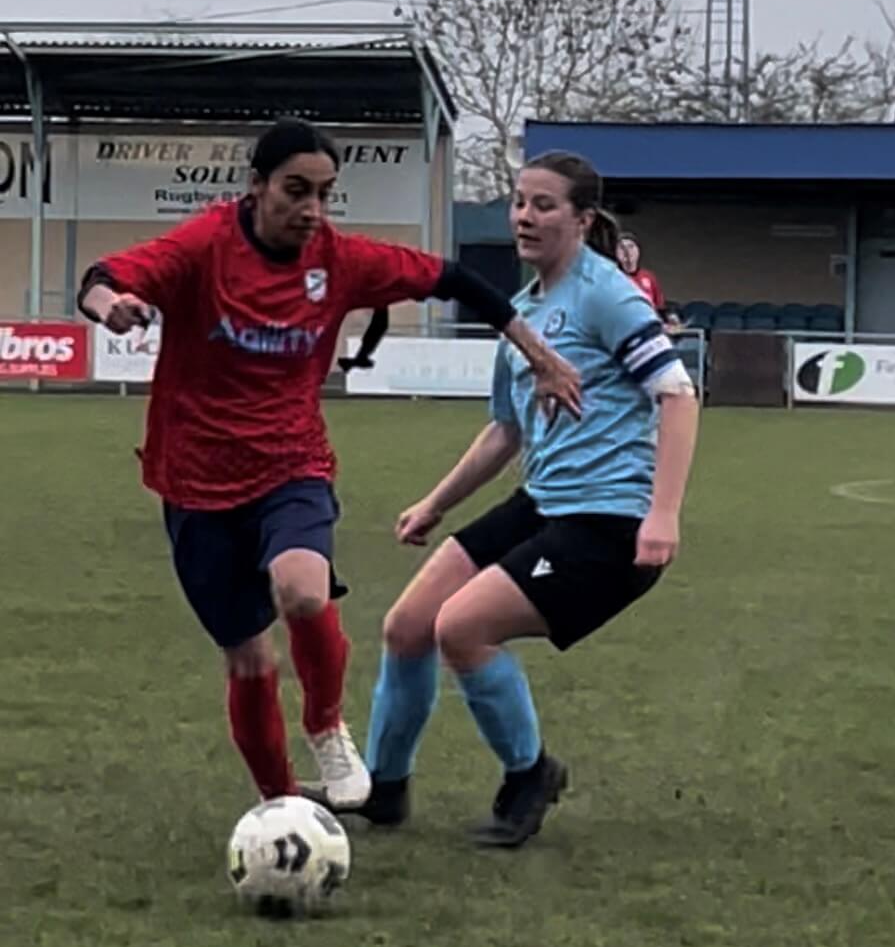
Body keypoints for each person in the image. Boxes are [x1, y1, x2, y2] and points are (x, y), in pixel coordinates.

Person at [76, 117, 581, 812]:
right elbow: (104, 278)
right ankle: (282, 806)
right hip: (193, 481)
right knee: (250, 659)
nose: (312, 208)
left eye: (324, 192)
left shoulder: (340, 259)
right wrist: (113, 306)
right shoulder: (205, 244)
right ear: (255, 188)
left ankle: (325, 725)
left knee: (305, 591)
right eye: (296, 190)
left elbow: (459, 281)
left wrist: (541, 357)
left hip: (291, 463)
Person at [348, 149, 701, 848]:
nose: (524, 216)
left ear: (581, 218)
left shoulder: (608, 294)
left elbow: (678, 394)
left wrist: (663, 512)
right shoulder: (525, 310)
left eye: (543, 204)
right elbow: (506, 430)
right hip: (541, 502)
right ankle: (384, 789)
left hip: (609, 522)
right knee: (408, 623)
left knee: (462, 628)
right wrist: (435, 503)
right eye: (518, 201)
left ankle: (530, 773)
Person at [616, 233, 667, 317]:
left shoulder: (649, 277)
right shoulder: (611, 278)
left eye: (631, 246)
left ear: (638, 251)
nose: (627, 251)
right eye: (622, 248)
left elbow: (660, 307)